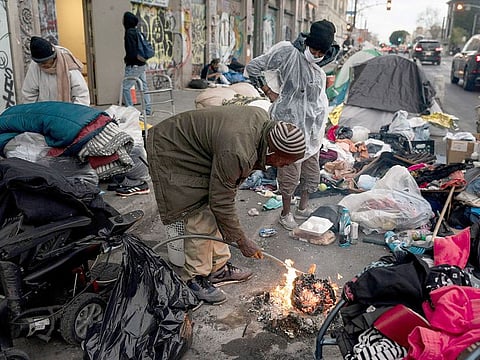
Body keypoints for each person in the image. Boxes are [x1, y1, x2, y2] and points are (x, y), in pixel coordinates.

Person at [146, 105, 306, 304]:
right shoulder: (238, 152)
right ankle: (195, 278)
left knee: (217, 211)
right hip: (172, 149)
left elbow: (223, 198)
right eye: (285, 161)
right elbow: (220, 201)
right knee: (197, 210)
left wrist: (234, 232)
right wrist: (241, 240)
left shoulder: (262, 122)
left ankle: (218, 268)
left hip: (201, 150)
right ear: (272, 151)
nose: (285, 166)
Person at [245, 19, 339, 231]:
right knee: (290, 171)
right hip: (290, 123)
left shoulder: (321, 65)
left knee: (311, 171)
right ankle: (286, 213)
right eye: (313, 50)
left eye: (320, 52)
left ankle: (302, 208)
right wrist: (269, 92)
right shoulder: (288, 52)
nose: (315, 55)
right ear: (307, 43)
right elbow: (253, 67)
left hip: (313, 126)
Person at [22, 36, 90, 105]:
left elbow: (81, 94)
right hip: (44, 111)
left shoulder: (68, 64)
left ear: (53, 58)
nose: (42, 65)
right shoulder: (35, 66)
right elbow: (29, 93)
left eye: (45, 62)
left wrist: (76, 113)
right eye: (40, 63)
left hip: (69, 111)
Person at [122, 11, 152, 116]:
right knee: (143, 87)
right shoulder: (137, 31)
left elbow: (131, 52)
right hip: (142, 64)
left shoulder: (129, 33)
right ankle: (148, 110)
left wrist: (127, 60)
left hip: (134, 65)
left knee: (125, 87)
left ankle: (130, 110)